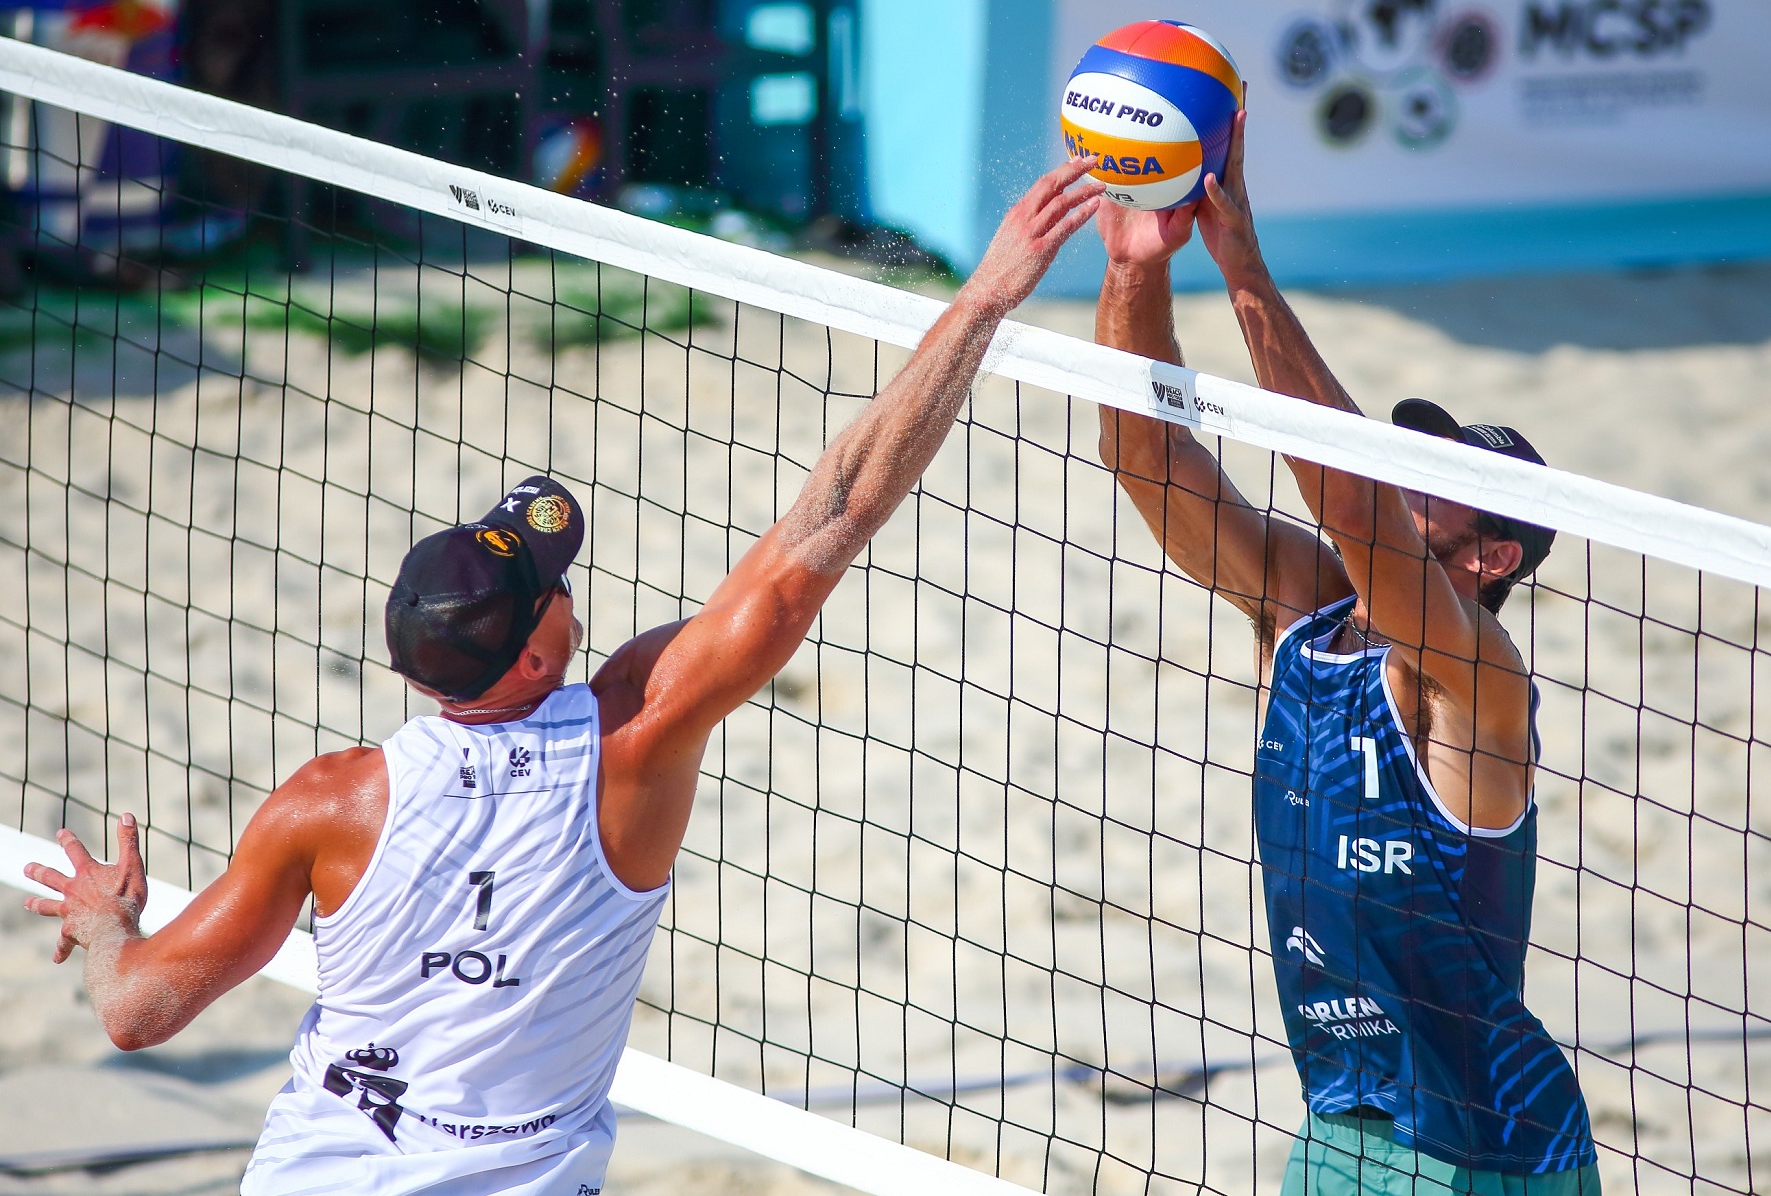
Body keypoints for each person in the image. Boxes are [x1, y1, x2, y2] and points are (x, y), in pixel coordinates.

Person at [23, 156, 1105, 1195]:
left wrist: (111, 924)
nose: (565, 580)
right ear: (539, 654)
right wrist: (983, 299)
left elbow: (136, 1012)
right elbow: (835, 514)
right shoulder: (632, 735)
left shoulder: (325, 803)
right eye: (551, 584)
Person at [1094, 117, 1598, 1193]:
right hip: (1341, 1122)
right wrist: (1138, 263)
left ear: (1493, 555)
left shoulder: (1475, 677)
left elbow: (1360, 513)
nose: (1408, 467)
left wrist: (1245, 274)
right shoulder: (1302, 614)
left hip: (1487, 1147)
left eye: (1441, 475)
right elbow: (1144, 456)